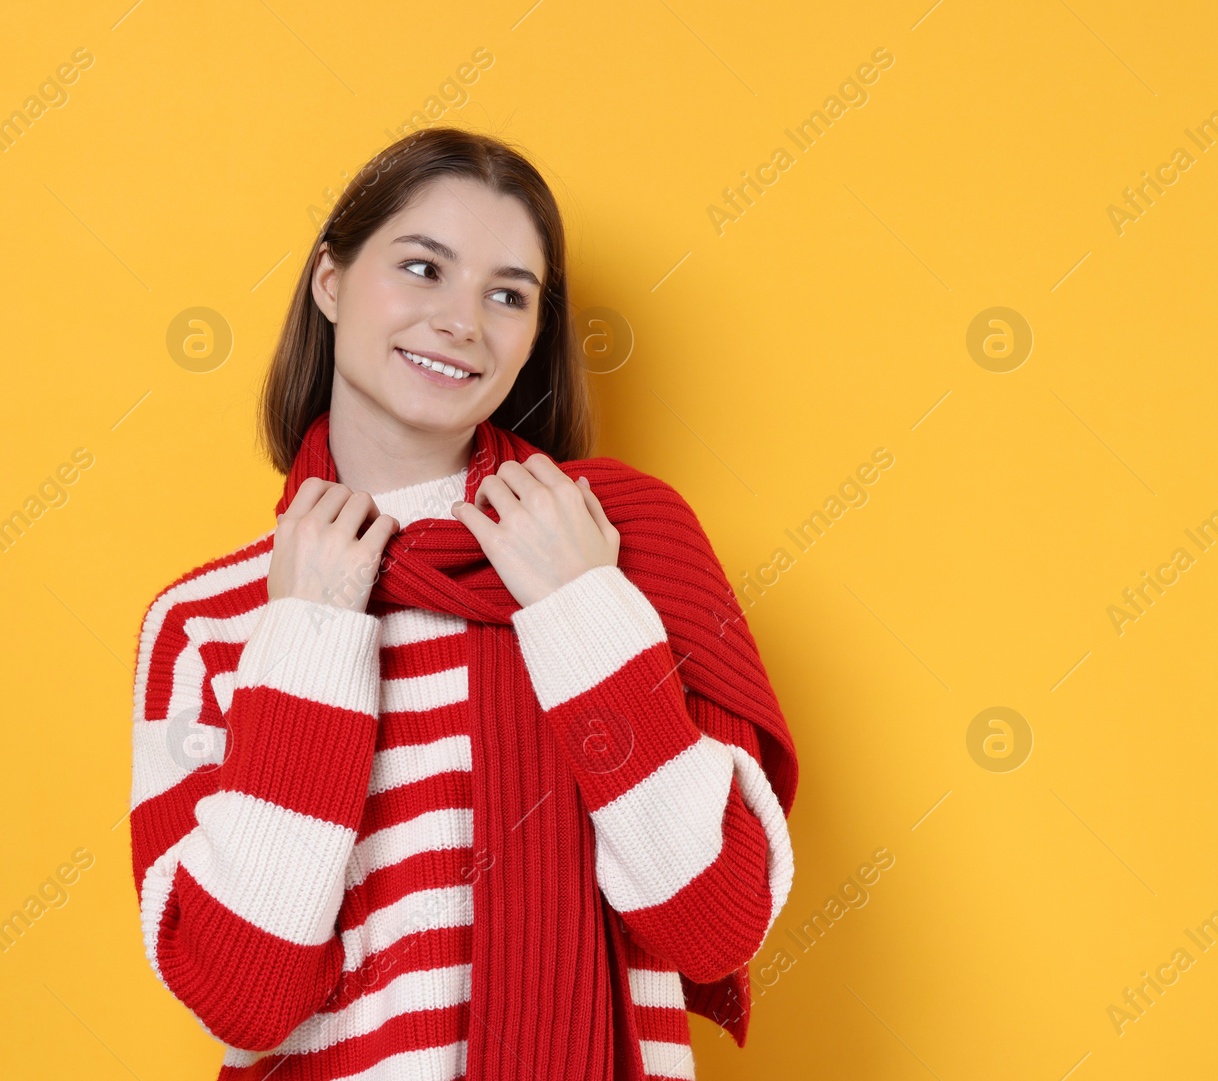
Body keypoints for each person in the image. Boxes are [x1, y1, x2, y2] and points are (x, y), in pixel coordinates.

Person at [128, 126, 797, 1080]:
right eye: (422, 267)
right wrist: (309, 638)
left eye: (508, 294)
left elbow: (712, 923)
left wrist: (579, 610)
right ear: (330, 282)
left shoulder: (621, 549)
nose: (462, 321)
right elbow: (248, 996)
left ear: (533, 337)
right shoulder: (211, 621)